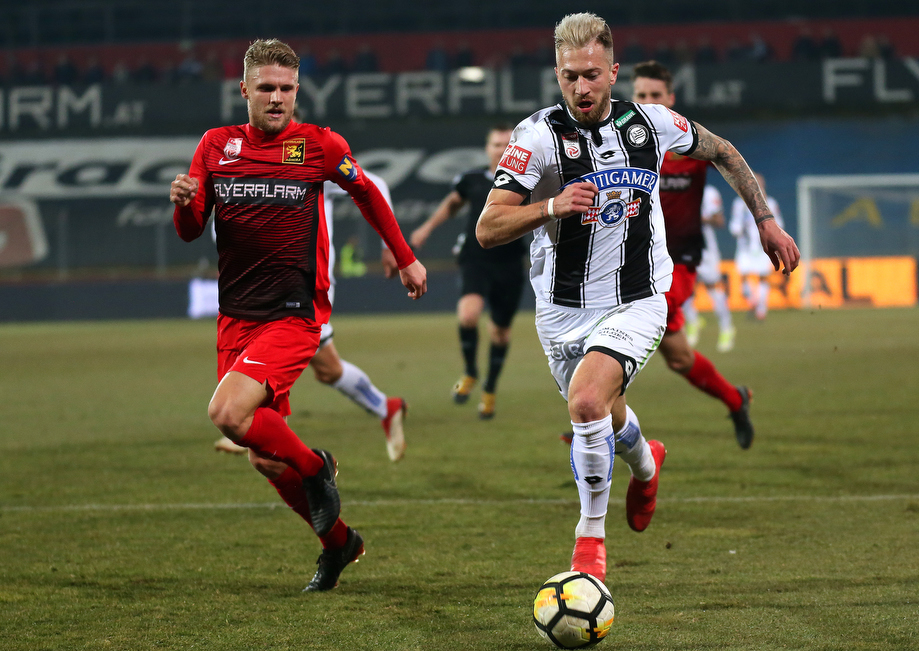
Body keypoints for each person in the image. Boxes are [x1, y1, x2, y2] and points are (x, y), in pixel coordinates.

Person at [476, 13, 798, 582]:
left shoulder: (650, 124)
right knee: (601, 411)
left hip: (639, 297)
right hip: (560, 310)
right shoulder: (535, 137)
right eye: (570, 76)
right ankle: (647, 466)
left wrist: (766, 220)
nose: (581, 87)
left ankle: (589, 548)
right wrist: (550, 206)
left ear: (613, 72)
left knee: (585, 406)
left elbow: (722, 151)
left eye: (592, 75)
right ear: (557, 73)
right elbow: (488, 226)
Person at [170, 39, 426, 592]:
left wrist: (404, 257)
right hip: (235, 317)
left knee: (228, 416)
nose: (278, 97)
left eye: (287, 88)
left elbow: (369, 196)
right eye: (266, 87)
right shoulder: (216, 148)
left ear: (297, 90)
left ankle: (318, 468)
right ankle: (339, 545)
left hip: (294, 314)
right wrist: (183, 201)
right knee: (265, 459)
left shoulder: (318, 146)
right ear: (243, 90)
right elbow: (191, 228)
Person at [630, 60, 753, 444]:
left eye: (655, 96)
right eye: (641, 96)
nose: (648, 103)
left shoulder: (690, 145)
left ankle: (595, 417)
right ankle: (736, 400)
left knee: (631, 324)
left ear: (671, 99)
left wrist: (763, 219)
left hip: (678, 263)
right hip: (633, 263)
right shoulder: (623, 146)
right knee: (680, 358)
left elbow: (730, 160)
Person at [410, 125, 526, 420]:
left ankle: (489, 388)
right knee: (468, 315)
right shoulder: (472, 180)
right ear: (487, 148)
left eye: (506, 144)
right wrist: (426, 228)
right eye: (496, 143)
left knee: (500, 332)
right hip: (475, 258)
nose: (501, 149)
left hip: (511, 263)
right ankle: (471, 371)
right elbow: (452, 204)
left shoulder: (526, 182)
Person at [683, 184, 736, 352]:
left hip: (705, 250)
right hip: (682, 247)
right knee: (682, 289)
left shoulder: (708, 192)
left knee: (713, 288)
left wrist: (696, 217)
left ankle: (727, 328)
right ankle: (692, 324)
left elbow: (720, 221)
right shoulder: (676, 190)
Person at [729, 173, 783, 321]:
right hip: (745, 247)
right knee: (744, 277)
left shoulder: (770, 203)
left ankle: (761, 310)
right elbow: (734, 226)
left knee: (764, 277)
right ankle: (753, 301)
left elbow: (779, 224)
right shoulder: (739, 204)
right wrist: (740, 230)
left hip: (763, 246)